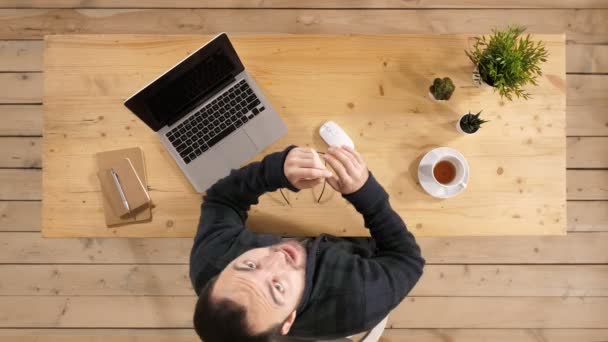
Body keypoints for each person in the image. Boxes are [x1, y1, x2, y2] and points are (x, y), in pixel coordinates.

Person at [190, 145, 425, 341]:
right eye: (278, 287)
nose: (277, 257)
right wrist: (367, 195)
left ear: (216, 278)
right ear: (289, 320)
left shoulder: (210, 264)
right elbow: (408, 259)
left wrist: (275, 171)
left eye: (249, 266)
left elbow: (220, 201)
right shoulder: (359, 296)